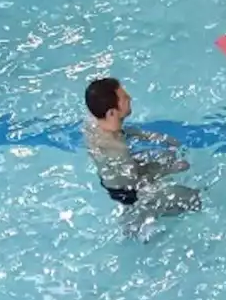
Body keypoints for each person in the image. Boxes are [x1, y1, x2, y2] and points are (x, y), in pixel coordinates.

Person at [83, 78, 200, 221]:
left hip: (120, 175)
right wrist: (167, 170)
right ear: (112, 113)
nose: (129, 98)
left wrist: (148, 135)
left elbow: (122, 131)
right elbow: (136, 184)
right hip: (132, 194)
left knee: (170, 158)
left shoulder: (96, 122)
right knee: (194, 198)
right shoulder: (117, 150)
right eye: (124, 98)